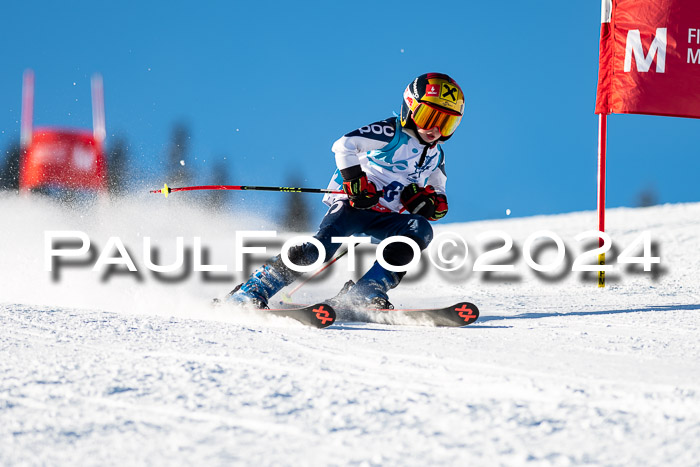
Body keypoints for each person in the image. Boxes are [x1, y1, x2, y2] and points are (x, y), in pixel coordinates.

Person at [226, 72, 465, 310]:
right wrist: (355, 182)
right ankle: (254, 289)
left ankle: (366, 291)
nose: (434, 129)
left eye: (446, 123)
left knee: (420, 230)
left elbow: (438, 188)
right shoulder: (392, 133)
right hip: (354, 206)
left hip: (388, 218)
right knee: (317, 251)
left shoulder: (436, 154)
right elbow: (344, 145)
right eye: (428, 116)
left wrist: (430, 204)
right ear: (409, 108)